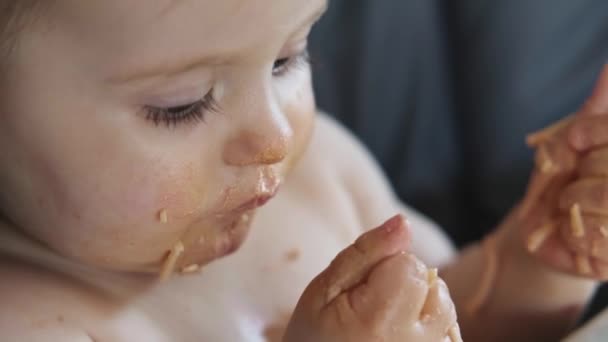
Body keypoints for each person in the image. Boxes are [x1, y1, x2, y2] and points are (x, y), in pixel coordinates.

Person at [0, 1, 607, 341]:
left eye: (288, 59)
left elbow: (465, 321)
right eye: (182, 103)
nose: (276, 137)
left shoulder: (320, 178)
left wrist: (543, 257)